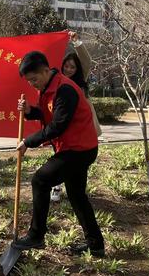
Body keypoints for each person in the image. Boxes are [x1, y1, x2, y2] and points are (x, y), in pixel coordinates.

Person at [14, 51, 105, 257]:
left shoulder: (65, 89)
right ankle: (96, 244)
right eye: (29, 81)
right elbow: (48, 113)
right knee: (77, 196)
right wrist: (30, 111)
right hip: (75, 148)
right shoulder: (49, 86)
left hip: (78, 150)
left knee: (40, 180)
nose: (32, 84)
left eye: (34, 79)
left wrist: (28, 141)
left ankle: (36, 235)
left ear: (46, 71)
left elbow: (57, 125)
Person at [51, 31, 102, 202]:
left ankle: (78, 190)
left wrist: (77, 42)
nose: (69, 69)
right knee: (59, 154)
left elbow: (87, 61)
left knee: (80, 158)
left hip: (82, 126)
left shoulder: (80, 80)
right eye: (66, 66)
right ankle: (56, 186)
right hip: (62, 125)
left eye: (72, 67)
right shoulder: (55, 80)